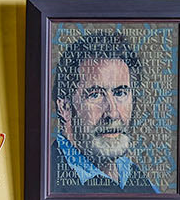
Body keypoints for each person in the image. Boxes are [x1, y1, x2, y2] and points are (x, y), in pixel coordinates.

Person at [50, 30, 160, 191]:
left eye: (120, 93)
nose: (113, 113)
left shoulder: (134, 175)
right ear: (65, 107)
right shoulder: (49, 180)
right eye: (95, 95)